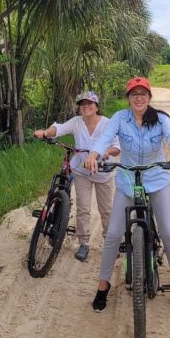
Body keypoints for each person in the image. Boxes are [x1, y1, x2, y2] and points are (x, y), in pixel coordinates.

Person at [84, 77, 170, 312]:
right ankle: (103, 286)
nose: (139, 98)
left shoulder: (161, 118)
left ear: (150, 97)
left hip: (157, 180)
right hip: (127, 180)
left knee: (169, 233)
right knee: (113, 234)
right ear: (128, 98)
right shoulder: (119, 118)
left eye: (143, 93)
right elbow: (104, 139)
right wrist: (94, 154)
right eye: (134, 94)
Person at [33, 90, 119, 262]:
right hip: (81, 172)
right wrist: (44, 132)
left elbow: (117, 147)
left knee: (107, 210)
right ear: (79, 108)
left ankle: (111, 244)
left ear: (96, 106)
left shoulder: (108, 124)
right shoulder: (76, 122)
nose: (86, 107)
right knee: (83, 208)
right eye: (82, 104)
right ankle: (84, 243)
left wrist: (105, 152)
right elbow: (58, 128)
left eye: (90, 104)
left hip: (103, 172)